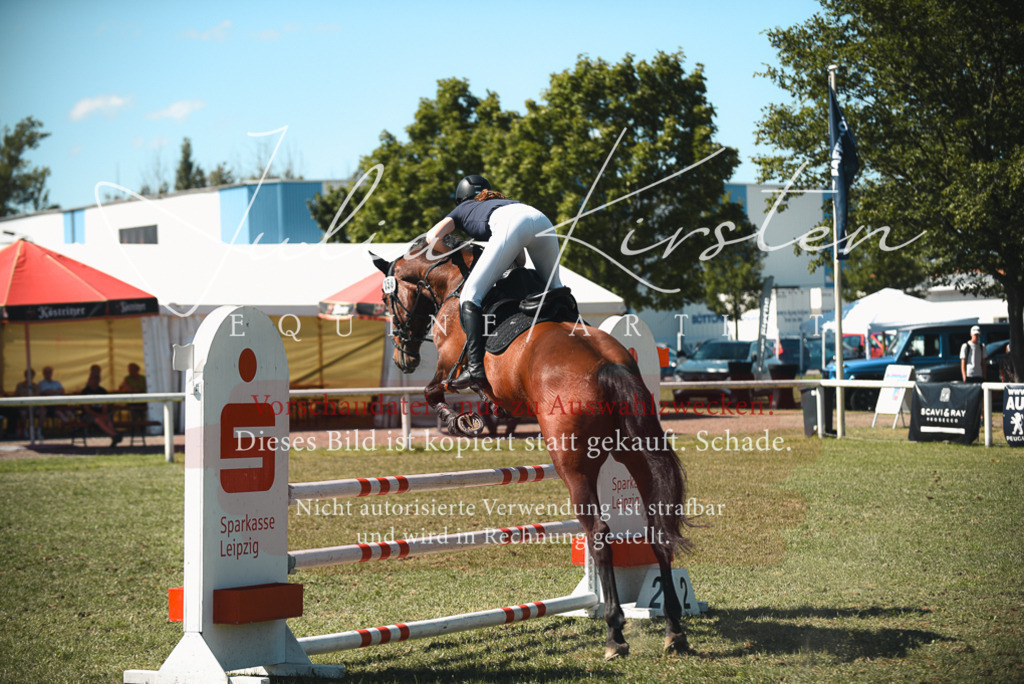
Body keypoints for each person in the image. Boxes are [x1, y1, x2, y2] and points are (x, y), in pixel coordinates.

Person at [425, 175, 562, 389]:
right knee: (555, 287)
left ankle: (475, 369)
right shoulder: (505, 202)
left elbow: (432, 237)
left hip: (513, 225)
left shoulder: (462, 209)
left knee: (470, 296)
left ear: (461, 198)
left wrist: (457, 252)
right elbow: (521, 260)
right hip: (542, 219)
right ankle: (582, 333)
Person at [79, 365, 122, 446]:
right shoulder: (85, 391)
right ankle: (114, 435)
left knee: (107, 420)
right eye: (93, 379)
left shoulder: (102, 391)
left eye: (97, 379)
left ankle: (114, 436)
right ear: (89, 380)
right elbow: (87, 409)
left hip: (101, 414)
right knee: (99, 420)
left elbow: (105, 406)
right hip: (88, 415)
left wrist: (103, 414)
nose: (95, 381)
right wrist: (100, 415)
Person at [15, 369, 44, 439]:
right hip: (23, 406)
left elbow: (37, 396)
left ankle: (39, 430)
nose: (29, 377)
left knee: (43, 411)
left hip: (34, 406)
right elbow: (20, 395)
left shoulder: (35, 386)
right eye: (28, 375)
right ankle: (25, 431)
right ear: (25, 376)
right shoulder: (20, 385)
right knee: (23, 413)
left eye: (31, 376)